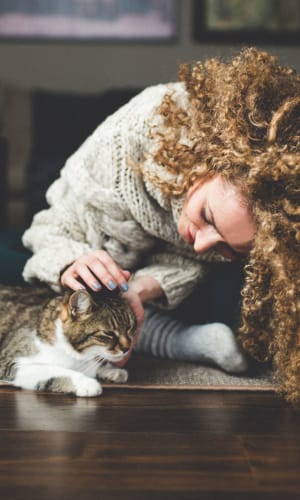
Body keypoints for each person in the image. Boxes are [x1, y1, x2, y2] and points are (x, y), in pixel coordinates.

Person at [20, 48, 299, 403]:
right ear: (212, 159)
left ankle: (172, 328)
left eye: (229, 247)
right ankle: (179, 339)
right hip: (87, 249)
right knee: (48, 305)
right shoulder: (134, 138)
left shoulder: (249, 226)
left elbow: (193, 262)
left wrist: (139, 290)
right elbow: (46, 229)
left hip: (145, 281)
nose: (201, 244)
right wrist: (75, 262)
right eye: (207, 216)